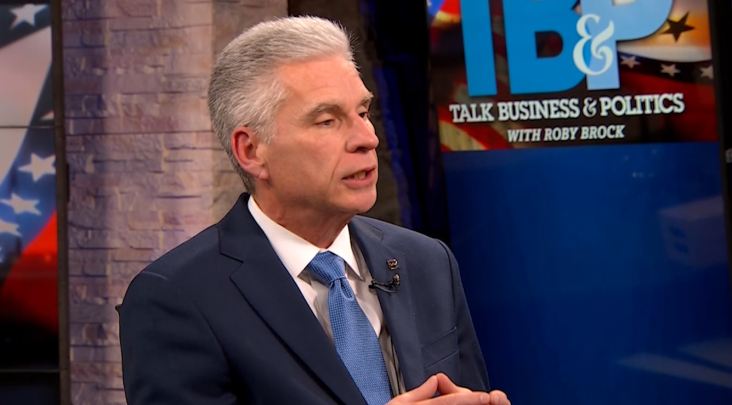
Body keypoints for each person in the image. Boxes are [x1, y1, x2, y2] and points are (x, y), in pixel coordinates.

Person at [118, 16, 510, 405]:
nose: (367, 139)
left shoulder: (427, 262)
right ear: (252, 151)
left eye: (363, 112)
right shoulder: (177, 298)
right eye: (327, 121)